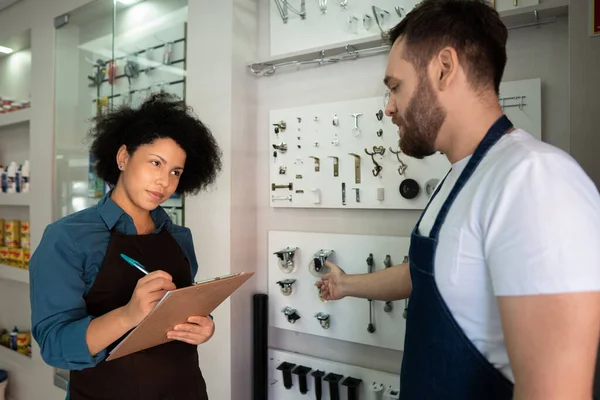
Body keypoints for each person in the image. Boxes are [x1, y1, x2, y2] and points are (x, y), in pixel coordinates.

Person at [316, 1, 600, 399]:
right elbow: (429, 273)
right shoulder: (460, 176)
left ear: (444, 68)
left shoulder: (534, 180)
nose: (389, 107)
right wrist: (348, 285)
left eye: (395, 86)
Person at [29, 93, 222, 400]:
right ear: (123, 158)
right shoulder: (67, 238)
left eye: (175, 172)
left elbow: (185, 305)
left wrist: (203, 325)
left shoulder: (180, 236)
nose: (164, 182)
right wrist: (129, 315)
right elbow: (54, 346)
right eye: (155, 163)